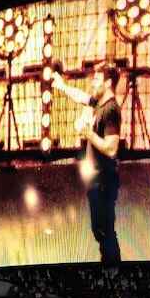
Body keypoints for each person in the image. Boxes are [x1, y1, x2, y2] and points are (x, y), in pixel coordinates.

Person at [51, 62, 124, 264]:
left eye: (97, 79)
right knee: (99, 230)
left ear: (108, 83)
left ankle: (113, 267)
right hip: (97, 180)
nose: (93, 83)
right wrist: (62, 86)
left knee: (105, 231)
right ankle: (109, 264)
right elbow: (82, 97)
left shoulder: (111, 110)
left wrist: (88, 133)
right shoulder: (99, 104)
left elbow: (112, 149)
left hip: (104, 181)